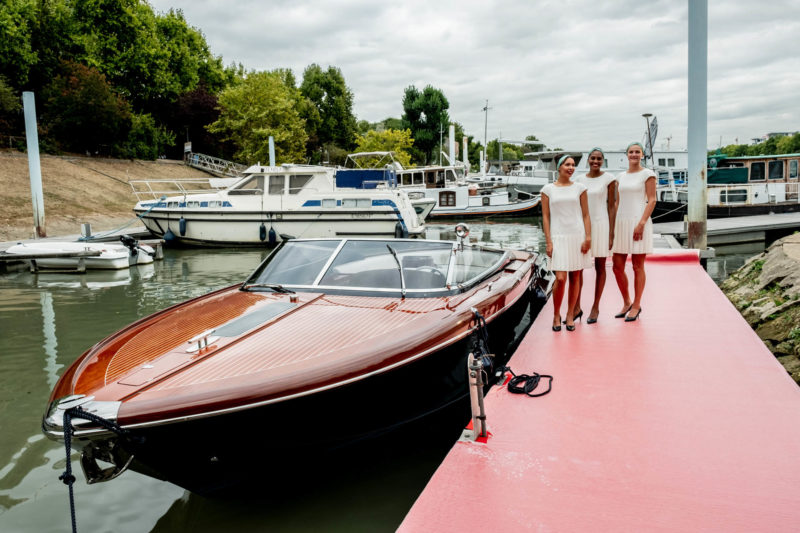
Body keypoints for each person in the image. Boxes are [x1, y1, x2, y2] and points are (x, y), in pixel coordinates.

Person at [541, 155, 592, 332]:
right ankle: (556, 314)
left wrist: (588, 238)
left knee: (575, 277)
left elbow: (586, 215)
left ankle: (570, 314)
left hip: (577, 235)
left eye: (573, 165)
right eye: (567, 164)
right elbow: (546, 217)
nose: (571, 167)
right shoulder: (547, 190)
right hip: (558, 237)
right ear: (559, 167)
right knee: (561, 278)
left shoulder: (580, 188)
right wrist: (548, 241)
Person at [611, 142, 657, 321]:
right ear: (627, 155)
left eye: (637, 152)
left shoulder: (648, 174)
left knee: (638, 266)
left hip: (639, 221)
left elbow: (652, 200)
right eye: (631, 152)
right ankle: (626, 301)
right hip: (621, 222)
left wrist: (642, 223)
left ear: (642, 155)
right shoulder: (620, 177)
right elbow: (616, 203)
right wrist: (612, 225)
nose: (634, 154)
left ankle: (637, 305)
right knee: (617, 266)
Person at [573, 148, 618, 323]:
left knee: (600, 267)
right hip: (583, 226)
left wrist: (612, 232)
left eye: (599, 159)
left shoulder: (609, 179)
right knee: (579, 268)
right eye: (593, 158)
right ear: (588, 160)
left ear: (603, 160)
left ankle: (595, 307)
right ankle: (576, 306)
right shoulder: (579, 180)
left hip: (601, 224)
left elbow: (612, 206)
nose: (595, 161)